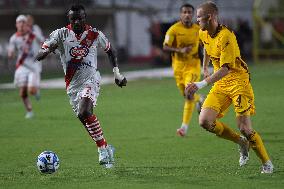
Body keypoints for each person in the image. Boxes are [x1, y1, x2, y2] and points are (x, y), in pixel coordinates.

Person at [185, 1, 274, 173]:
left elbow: (226, 69)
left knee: (245, 128)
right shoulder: (203, 32)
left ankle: (267, 163)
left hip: (238, 82)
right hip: (221, 83)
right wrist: (205, 66)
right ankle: (241, 142)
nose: (196, 21)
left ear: (209, 17)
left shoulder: (227, 37)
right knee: (204, 121)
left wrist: (201, 83)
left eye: (198, 17)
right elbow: (206, 48)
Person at [36, 4, 127, 168]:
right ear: (69, 20)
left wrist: (117, 74)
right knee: (83, 116)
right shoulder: (60, 34)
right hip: (72, 85)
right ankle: (106, 147)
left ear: (85, 18)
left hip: (91, 79)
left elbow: (110, 50)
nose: (77, 21)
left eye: (80, 18)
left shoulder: (94, 34)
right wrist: (47, 52)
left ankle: (101, 150)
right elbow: (40, 53)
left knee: (85, 111)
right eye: (73, 19)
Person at [163, 3, 204, 137]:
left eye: (189, 12)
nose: (187, 14)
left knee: (188, 92)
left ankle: (184, 127)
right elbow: (165, 46)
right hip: (178, 67)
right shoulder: (173, 30)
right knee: (187, 95)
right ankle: (200, 99)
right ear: (181, 14)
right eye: (184, 12)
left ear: (193, 15)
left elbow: (207, 44)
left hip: (193, 65)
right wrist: (179, 50)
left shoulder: (199, 29)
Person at [8, 15, 42, 119]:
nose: (22, 24)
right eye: (19, 22)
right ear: (16, 25)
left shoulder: (33, 35)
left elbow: (43, 42)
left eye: (23, 22)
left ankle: (36, 91)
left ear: (27, 25)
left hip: (34, 65)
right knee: (22, 92)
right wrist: (11, 54)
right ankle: (29, 111)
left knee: (31, 90)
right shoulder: (14, 38)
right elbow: (11, 51)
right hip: (22, 66)